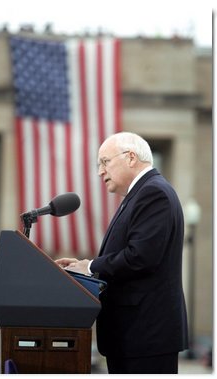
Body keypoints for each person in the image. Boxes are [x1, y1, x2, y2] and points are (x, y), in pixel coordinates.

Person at [55, 132, 188, 374]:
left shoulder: (153, 193)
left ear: (130, 158)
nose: (100, 172)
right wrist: (86, 265)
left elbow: (141, 258)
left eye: (105, 162)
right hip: (134, 336)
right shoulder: (139, 195)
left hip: (145, 336)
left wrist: (90, 267)